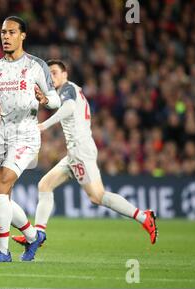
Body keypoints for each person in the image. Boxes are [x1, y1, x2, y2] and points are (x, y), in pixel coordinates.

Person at [12, 59, 158, 249]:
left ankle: (144, 217)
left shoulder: (67, 89)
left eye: (55, 72)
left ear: (65, 74)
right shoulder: (65, 91)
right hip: (76, 151)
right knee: (45, 185)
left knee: (97, 196)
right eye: (49, 74)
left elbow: (70, 107)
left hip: (80, 151)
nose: (51, 76)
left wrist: (44, 125)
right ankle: (38, 234)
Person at [0, 16, 61, 262]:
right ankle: (32, 236)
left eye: (12, 32)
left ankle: (2, 252)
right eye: (3, 32)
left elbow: (56, 100)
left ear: (23, 35)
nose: (6, 36)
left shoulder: (36, 66)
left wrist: (46, 100)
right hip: (1, 136)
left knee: (1, 184)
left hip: (25, 135)